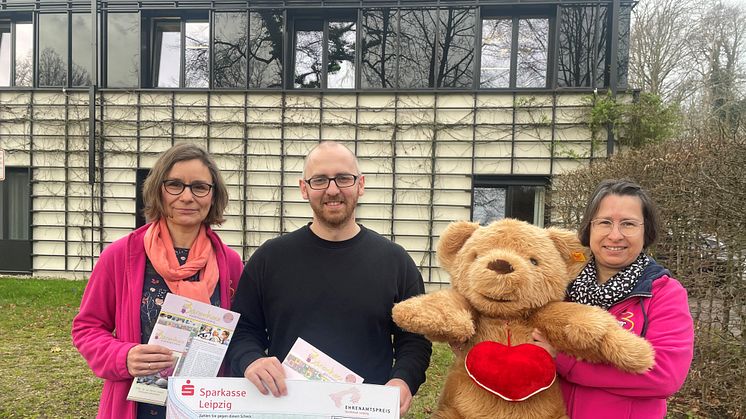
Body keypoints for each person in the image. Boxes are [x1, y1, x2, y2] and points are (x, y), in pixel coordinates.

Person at [226, 141, 432, 416]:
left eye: (343, 178)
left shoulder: (396, 261)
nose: (332, 190)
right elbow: (243, 330)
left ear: (360, 184)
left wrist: (404, 379)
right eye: (320, 180)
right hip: (287, 409)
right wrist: (251, 361)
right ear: (304, 188)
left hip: (366, 411)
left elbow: (415, 339)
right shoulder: (270, 259)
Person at [72, 143, 244, 419]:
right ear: (158, 191)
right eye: (175, 185)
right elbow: (87, 328)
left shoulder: (230, 264)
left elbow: (243, 335)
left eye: (199, 187)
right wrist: (122, 357)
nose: (187, 197)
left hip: (203, 406)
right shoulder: (121, 256)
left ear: (213, 196)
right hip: (137, 407)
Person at [532, 179, 694, 418]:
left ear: (645, 230)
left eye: (628, 224)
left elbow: (664, 376)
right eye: (605, 222)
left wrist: (565, 362)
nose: (615, 235)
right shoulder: (558, 287)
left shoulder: (663, 293)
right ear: (590, 228)